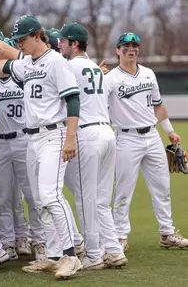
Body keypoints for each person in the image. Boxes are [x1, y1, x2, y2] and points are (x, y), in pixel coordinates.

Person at [0, 15, 82, 279]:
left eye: (22, 39)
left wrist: (70, 138)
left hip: (53, 135)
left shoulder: (56, 61)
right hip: (31, 138)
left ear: (37, 36)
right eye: (17, 39)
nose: (19, 43)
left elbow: (73, 100)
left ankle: (71, 255)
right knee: (39, 199)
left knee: (51, 195)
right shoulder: (27, 63)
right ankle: (52, 255)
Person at [104, 32, 188, 251]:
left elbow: (158, 105)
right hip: (126, 137)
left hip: (151, 136)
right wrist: (97, 77)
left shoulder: (149, 74)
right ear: (117, 50)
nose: (131, 49)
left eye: (134, 46)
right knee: (123, 191)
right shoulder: (110, 78)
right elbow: (96, 101)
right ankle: (120, 236)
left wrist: (169, 131)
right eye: (126, 46)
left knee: (162, 187)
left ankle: (167, 233)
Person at [56, 22, 128, 269]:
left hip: (86, 134)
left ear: (74, 43)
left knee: (85, 199)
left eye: (63, 42)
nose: (60, 45)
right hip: (107, 133)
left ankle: (94, 255)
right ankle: (115, 250)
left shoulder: (68, 66)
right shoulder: (94, 67)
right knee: (100, 200)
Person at [0, 31, 44, 261]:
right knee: (3, 197)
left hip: (23, 138)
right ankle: (8, 242)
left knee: (31, 194)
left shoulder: (19, 74)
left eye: (0, 51)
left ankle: (38, 240)